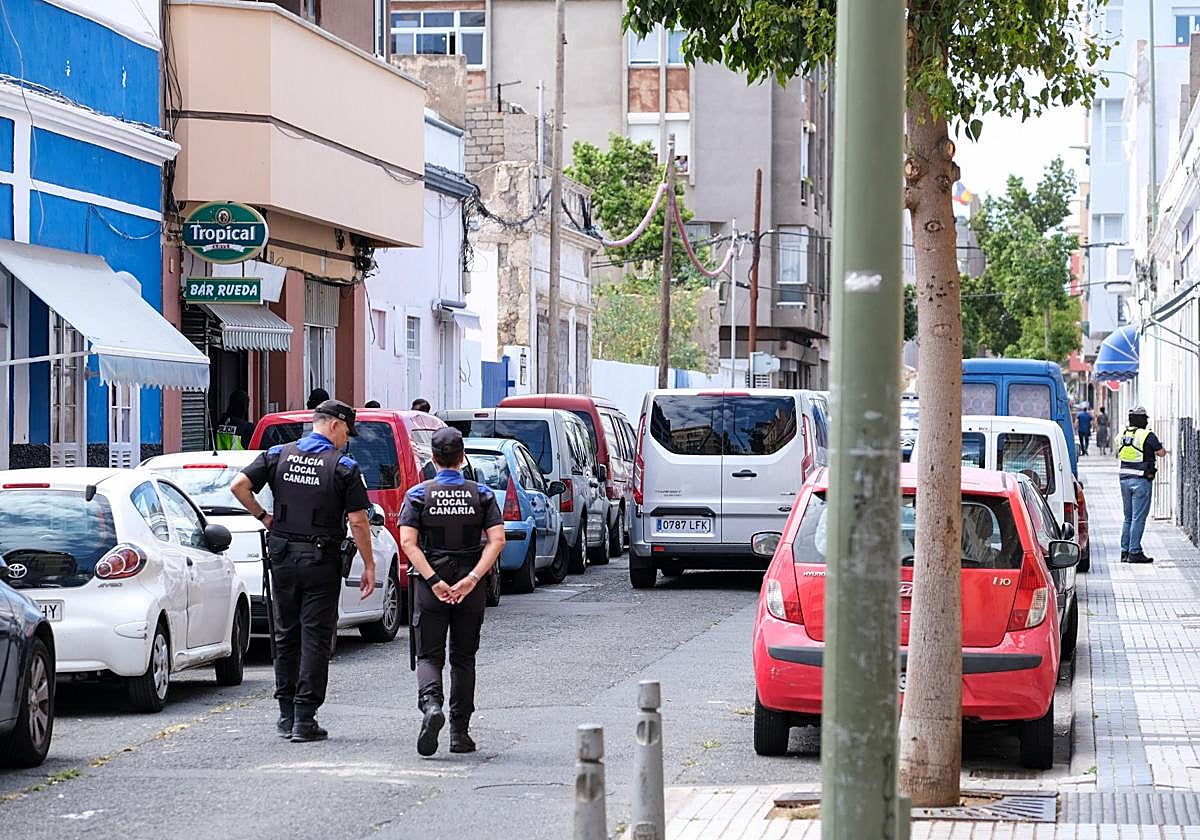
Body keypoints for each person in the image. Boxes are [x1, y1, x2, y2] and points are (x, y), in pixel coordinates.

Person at [231, 399, 376, 741]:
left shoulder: (277, 455)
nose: (346, 440)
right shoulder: (343, 467)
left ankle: (285, 715)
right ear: (335, 425)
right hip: (321, 561)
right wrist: (369, 564)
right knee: (316, 637)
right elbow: (358, 521)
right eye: (346, 433)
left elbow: (239, 486)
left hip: (282, 558)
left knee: (285, 634)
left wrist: (264, 517)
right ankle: (304, 717)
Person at [399, 427, 504, 756]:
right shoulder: (482, 494)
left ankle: (432, 705)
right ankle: (460, 733)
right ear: (462, 457)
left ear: (433, 459)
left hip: (432, 583)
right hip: (470, 585)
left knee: (429, 654)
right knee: (463, 658)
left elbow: (408, 543)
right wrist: (472, 578)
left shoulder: (418, 494)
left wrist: (433, 580)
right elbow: (497, 540)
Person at [1117, 405, 1168, 564]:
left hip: (1124, 479)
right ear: (1143, 420)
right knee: (1138, 518)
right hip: (1141, 480)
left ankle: (1124, 552)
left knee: (1128, 517)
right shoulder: (1147, 435)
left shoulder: (1122, 435)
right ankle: (1135, 552)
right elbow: (1161, 453)